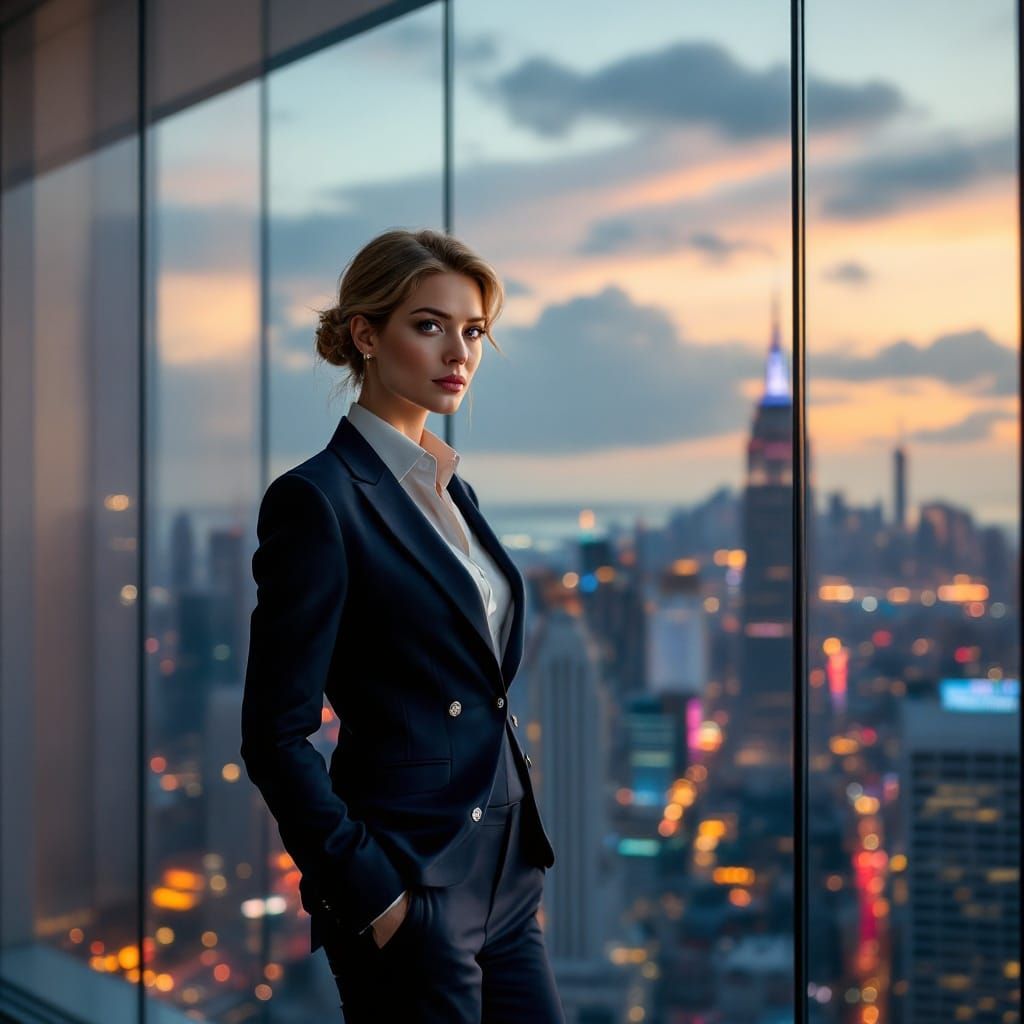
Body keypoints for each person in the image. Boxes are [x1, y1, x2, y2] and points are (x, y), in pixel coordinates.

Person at [240, 228, 565, 1022]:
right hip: (410, 883)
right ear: (365, 334)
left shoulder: (453, 491)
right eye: (429, 325)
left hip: (506, 875)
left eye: (473, 330)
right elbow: (273, 735)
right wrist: (374, 896)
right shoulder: (318, 501)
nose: (458, 351)